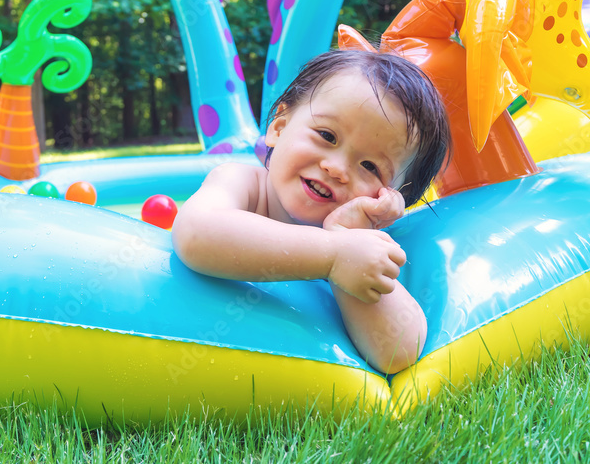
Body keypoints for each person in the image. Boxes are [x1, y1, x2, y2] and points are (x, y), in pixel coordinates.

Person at [171, 49, 450, 373]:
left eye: (370, 166)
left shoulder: (359, 248)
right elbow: (195, 234)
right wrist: (331, 255)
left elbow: (398, 352)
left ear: (392, 197)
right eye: (327, 135)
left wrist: (346, 239)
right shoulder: (241, 182)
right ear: (279, 125)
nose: (336, 168)